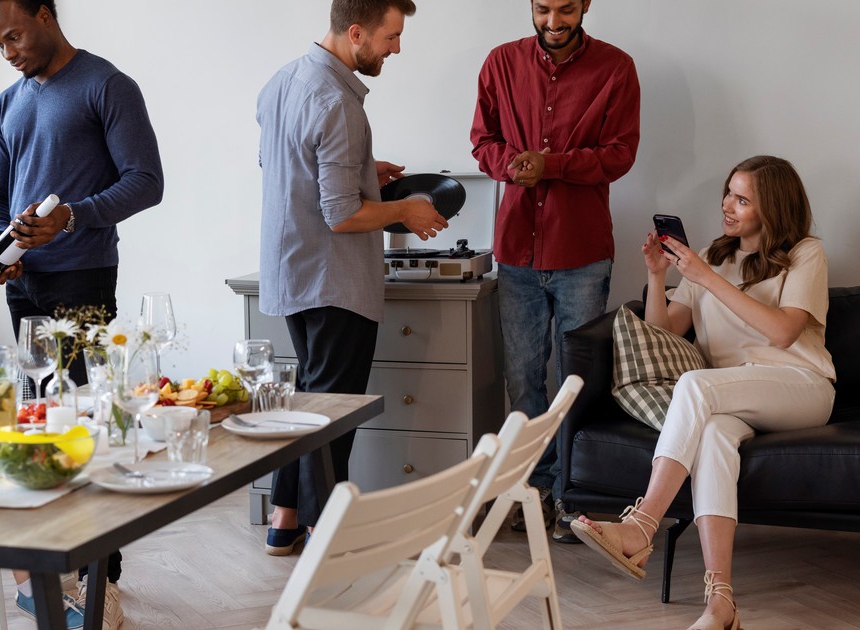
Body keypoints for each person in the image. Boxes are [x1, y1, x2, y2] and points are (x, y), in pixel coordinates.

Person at [571, 156, 833, 630]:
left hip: (800, 385)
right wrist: (657, 276)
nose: (727, 206)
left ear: (772, 208)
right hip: (732, 394)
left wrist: (704, 277)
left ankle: (641, 525)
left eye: (742, 199)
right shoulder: (713, 256)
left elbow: (783, 333)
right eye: (728, 193)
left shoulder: (804, 253)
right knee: (711, 436)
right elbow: (665, 331)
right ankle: (720, 602)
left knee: (694, 384)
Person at [0, 0, 162, 625]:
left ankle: (101, 578)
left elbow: (146, 180)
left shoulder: (107, 85)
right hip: (22, 282)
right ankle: (57, 566)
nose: (9, 53)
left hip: (83, 276)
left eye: (14, 36)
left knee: (85, 429)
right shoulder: (8, 102)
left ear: (45, 15)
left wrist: (71, 217)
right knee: (40, 430)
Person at [256, 0, 448, 556]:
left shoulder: (282, 80)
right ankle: (325, 532)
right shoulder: (338, 102)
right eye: (391, 37)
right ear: (357, 33)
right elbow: (342, 216)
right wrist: (406, 209)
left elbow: (285, 164)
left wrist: (364, 170)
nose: (397, 48)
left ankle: (284, 519)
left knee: (309, 398)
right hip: (333, 276)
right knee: (332, 411)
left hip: (292, 269)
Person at [470, 0, 640, 541]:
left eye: (566, 9)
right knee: (523, 378)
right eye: (542, 9)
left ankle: (573, 493)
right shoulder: (500, 62)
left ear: (586, 5)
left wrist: (554, 165)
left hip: (581, 252)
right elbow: (482, 140)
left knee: (577, 380)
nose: (553, 22)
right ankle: (535, 489)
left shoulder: (616, 68)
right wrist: (511, 164)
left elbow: (620, 153)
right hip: (515, 251)